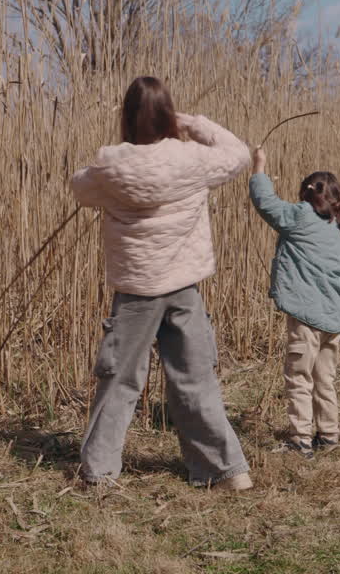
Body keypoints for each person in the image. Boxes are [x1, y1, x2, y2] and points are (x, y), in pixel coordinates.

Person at [70, 76, 253, 491]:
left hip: (136, 291)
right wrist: (192, 123)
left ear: (128, 117)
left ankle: (99, 472)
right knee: (195, 376)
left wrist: (103, 168)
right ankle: (226, 470)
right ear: (168, 114)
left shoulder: (109, 168)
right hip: (184, 287)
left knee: (119, 380)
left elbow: (79, 187)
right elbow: (238, 154)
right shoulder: (193, 160)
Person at [248, 146, 340, 459]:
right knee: (325, 379)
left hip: (306, 316)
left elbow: (266, 203)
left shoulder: (300, 217)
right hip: (333, 321)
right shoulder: (336, 233)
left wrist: (259, 168)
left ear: (306, 194)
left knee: (299, 377)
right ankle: (330, 434)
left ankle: (301, 440)